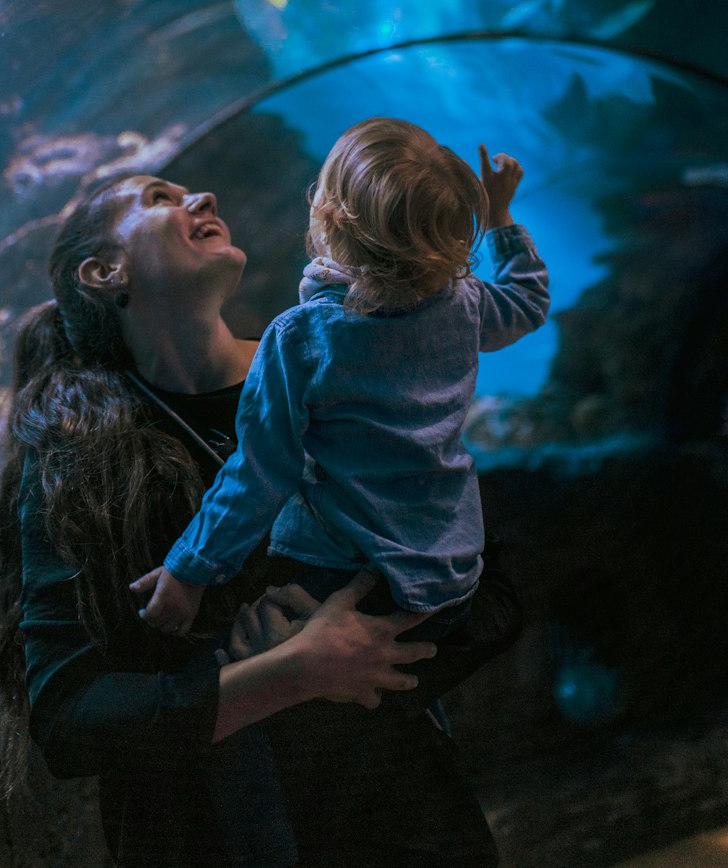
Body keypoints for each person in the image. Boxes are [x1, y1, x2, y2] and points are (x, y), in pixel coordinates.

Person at [0, 168, 524, 868]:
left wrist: (370, 632)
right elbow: (70, 721)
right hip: (209, 837)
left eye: (194, 192)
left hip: (396, 813)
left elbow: (495, 592)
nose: (202, 198)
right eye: (160, 198)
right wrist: (292, 672)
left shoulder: (337, 361)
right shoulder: (82, 461)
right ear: (103, 270)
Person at [129, 122, 548, 865]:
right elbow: (525, 301)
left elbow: (260, 475)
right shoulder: (460, 303)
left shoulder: (302, 339)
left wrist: (190, 570)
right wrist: (502, 219)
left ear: (329, 218)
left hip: (348, 575)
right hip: (452, 572)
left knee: (280, 706)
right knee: (401, 756)